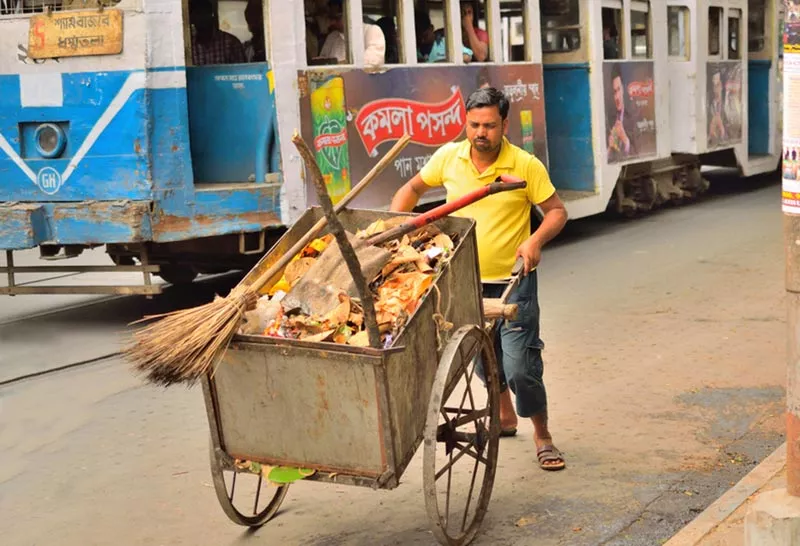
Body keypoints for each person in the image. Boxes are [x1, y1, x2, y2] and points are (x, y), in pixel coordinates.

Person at [389, 87, 569, 471]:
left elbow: (556, 212)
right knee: (481, 359)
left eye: (489, 125)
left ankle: (542, 435)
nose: (480, 133)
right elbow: (412, 189)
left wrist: (534, 242)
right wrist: (395, 231)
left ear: (505, 125)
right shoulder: (448, 158)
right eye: (473, 125)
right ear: (464, 124)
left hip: (513, 280)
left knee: (521, 365)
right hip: (462, 278)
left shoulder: (525, 165)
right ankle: (504, 418)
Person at [190, 0, 246, 66]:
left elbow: (241, 73)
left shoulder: (231, 43)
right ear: (192, 18)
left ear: (212, 16)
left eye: (204, 14)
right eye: (197, 14)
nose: (201, 18)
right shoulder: (189, 46)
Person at [607, 64, 636, 162]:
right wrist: (610, 148)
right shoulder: (610, 119)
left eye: (619, 90)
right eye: (614, 92)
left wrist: (625, 139)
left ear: (623, 89)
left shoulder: (632, 117)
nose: (617, 97)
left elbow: (638, 153)